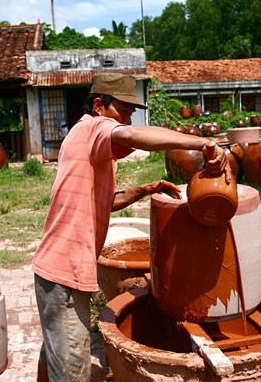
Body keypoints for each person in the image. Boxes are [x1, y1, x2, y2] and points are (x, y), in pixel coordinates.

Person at [32, 72, 228, 382]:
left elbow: (106, 201)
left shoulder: (86, 140)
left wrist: (145, 189)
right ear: (99, 105)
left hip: (54, 269)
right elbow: (135, 137)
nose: (126, 121)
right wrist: (202, 142)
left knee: (56, 350)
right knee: (72, 371)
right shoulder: (95, 127)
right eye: (123, 112)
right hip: (64, 274)